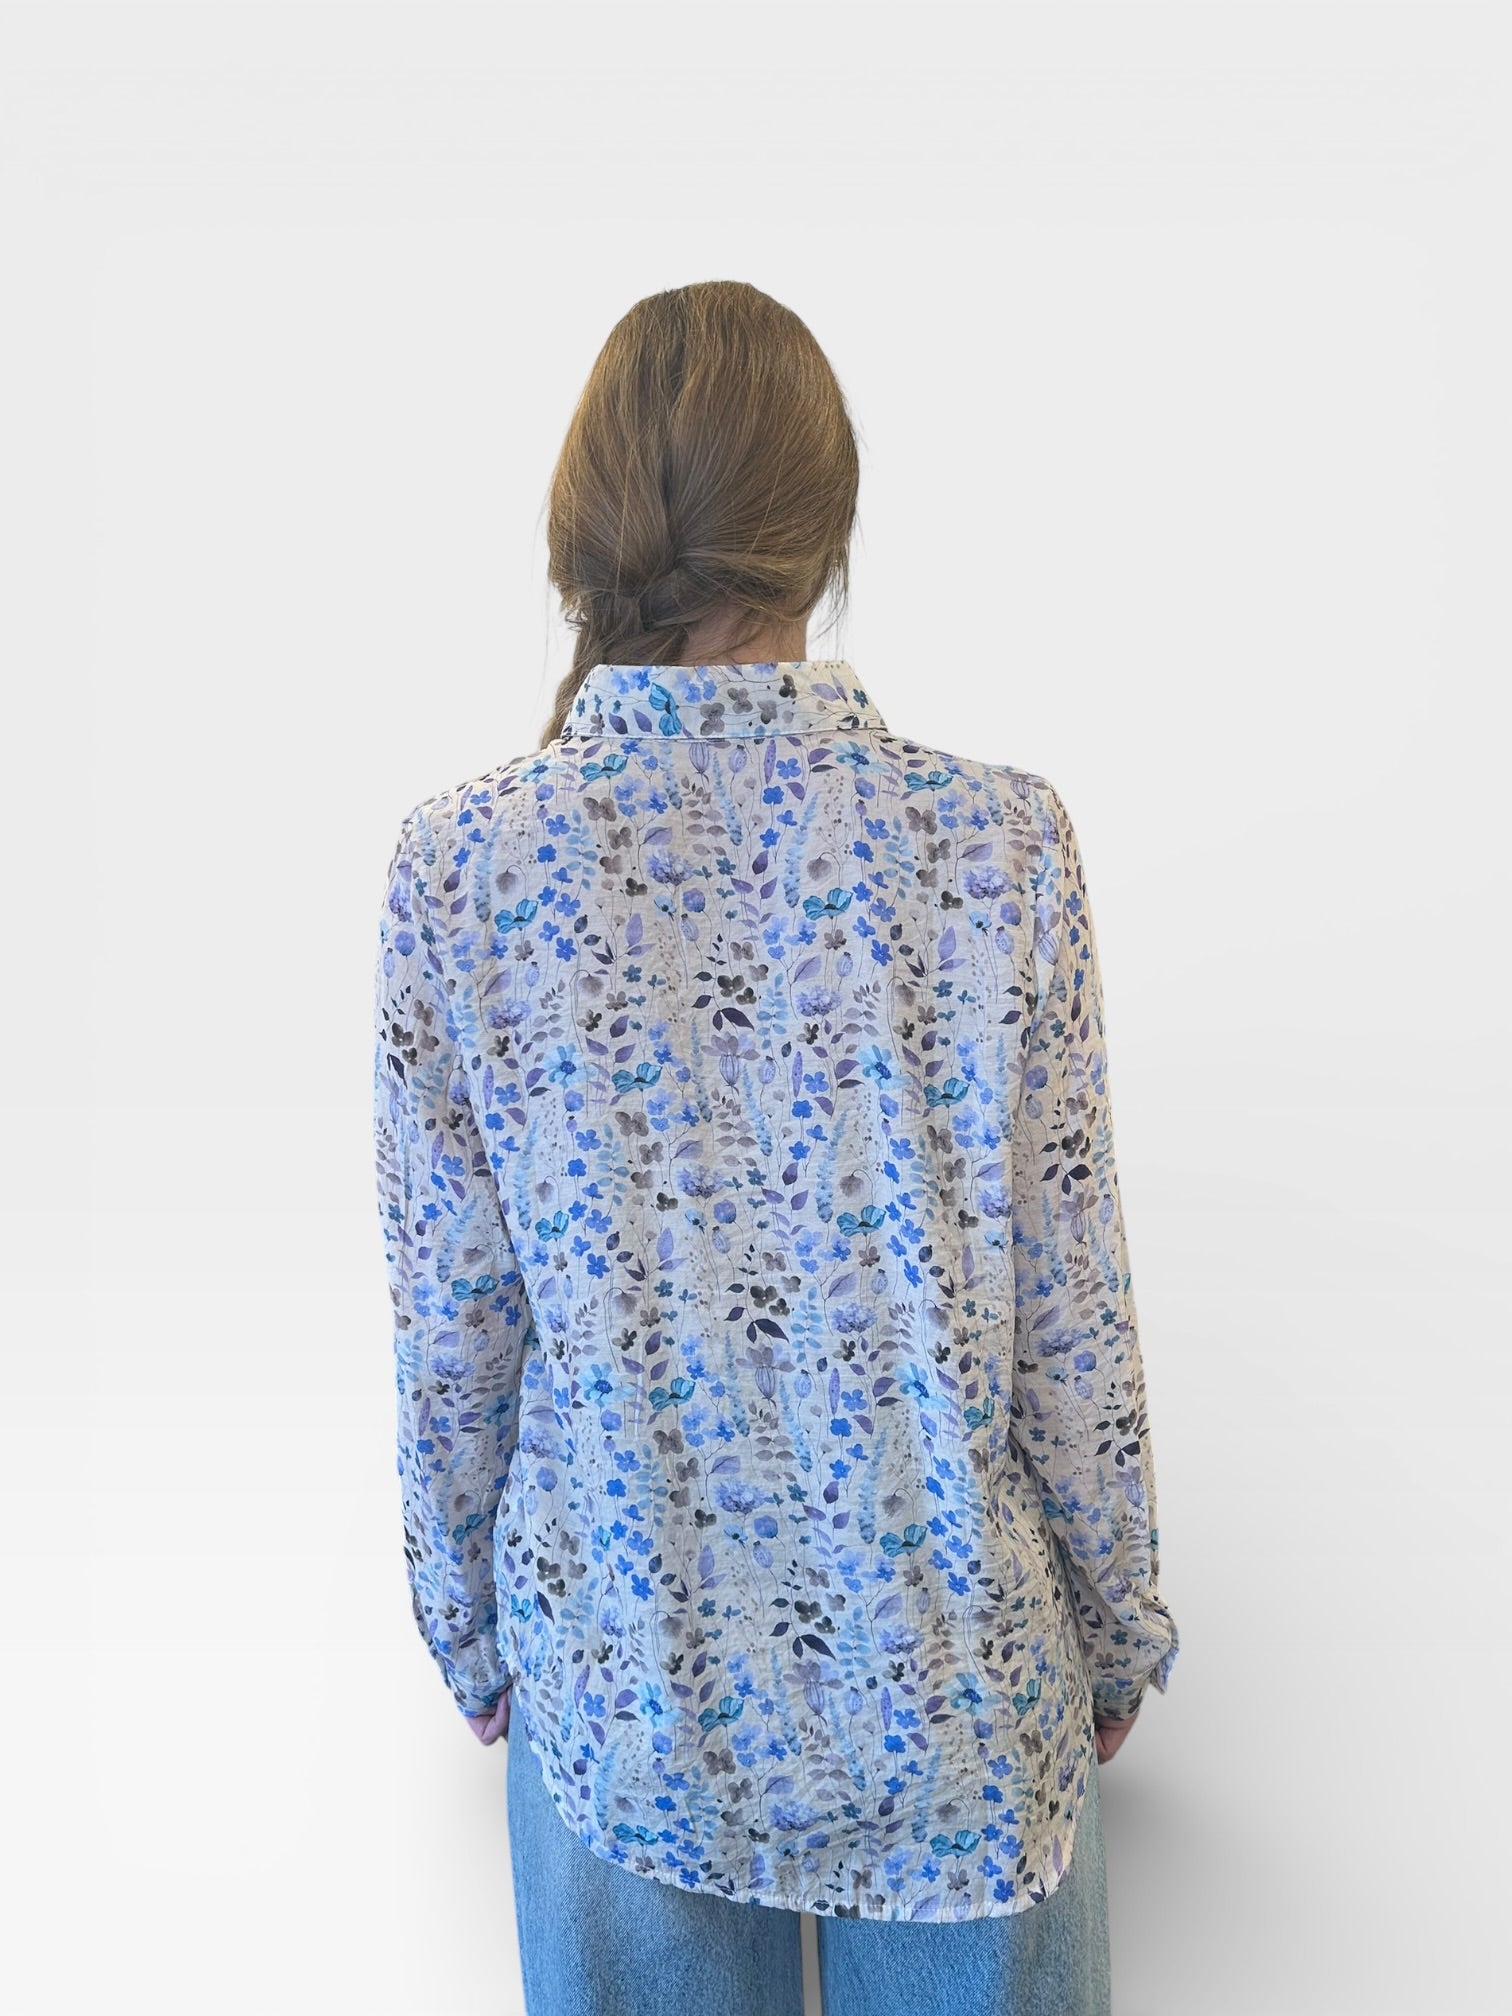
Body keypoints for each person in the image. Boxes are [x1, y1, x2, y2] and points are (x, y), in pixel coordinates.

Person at [372, 279, 1179, 2016]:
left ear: (588, 525)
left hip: (625, 1687)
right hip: (961, 1692)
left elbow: (455, 1331)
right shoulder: (1001, 847)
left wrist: (469, 1630)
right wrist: (1120, 1629)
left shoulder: (465, 869)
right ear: (826, 530)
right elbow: (1073, 1323)